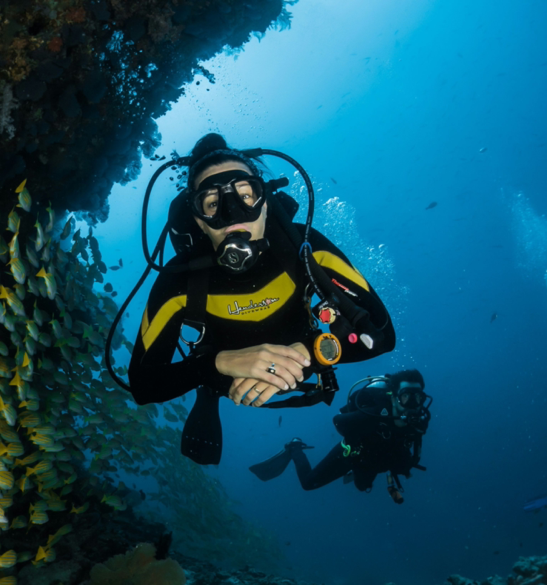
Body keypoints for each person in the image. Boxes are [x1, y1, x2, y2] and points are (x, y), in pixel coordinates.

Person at [126, 134, 396, 464]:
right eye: (212, 204)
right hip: (222, 376)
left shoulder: (306, 248)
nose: (232, 214)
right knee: (208, 381)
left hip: (306, 357)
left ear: (265, 202)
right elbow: (144, 385)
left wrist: (311, 353)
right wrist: (217, 364)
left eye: (245, 195)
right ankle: (208, 392)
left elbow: (382, 333)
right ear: (198, 220)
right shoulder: (179, 279)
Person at [250, 370, 431, 504]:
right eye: (407, 396)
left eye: (418, 398)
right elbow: (338, 421)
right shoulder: (376, 412)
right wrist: (358, 440)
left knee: (362, 487)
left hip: (377, 461)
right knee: (308, 483)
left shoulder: (417, 423)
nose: (413, 404)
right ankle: (294, 447)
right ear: (393, 396)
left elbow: (412, 454)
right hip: (351, 455)